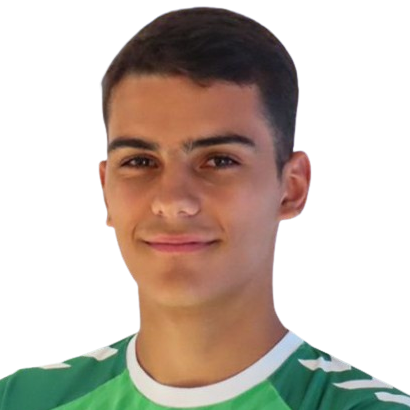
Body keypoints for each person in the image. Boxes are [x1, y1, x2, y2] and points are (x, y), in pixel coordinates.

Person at [1, 6, 408, 410]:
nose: (172, 201)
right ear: (106, 189)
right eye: (140, 161)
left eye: (219, 160)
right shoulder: (20, 399)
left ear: (292, 187)